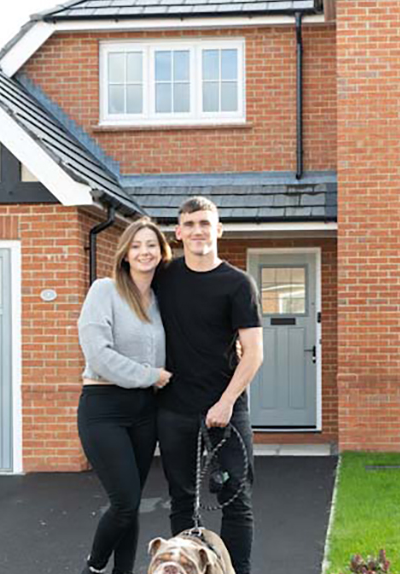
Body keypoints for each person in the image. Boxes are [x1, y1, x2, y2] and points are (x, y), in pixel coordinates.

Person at [153, 197, 264, 574]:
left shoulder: (237, 284)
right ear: (179, 233)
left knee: (237, 500)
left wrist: (227, 401)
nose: (198, 231)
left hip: (227, 410)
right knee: (182, 501)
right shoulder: (164, 278)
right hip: (174, 409)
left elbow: (253, 353)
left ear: (218, 230)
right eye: (190, 224)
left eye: (205, 223)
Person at [77, 218, 174, 574]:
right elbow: (98, 354)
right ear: (125, 254)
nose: (144, 251)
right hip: (104, 408)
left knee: (131, 506)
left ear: (161, 252)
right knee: (125, 501)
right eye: (136, 245)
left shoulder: (161, 300)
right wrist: (150, 375)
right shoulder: (105, 291)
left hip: (145, 410)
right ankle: (94, 566)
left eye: (151, 244)